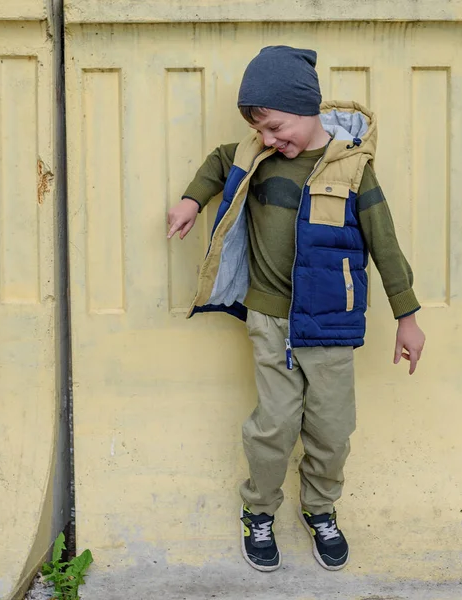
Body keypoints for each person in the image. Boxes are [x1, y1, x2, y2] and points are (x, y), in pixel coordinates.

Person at [167, 46, 426, 572]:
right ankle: (258, 512)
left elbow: (386, 243)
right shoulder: (258, 157)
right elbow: (221, 161)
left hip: (331, 323)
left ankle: (320, 509)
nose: (268, 139)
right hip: (270, 318)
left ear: (308, 109)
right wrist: (193, 199)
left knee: (331, 429)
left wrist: (408, 316)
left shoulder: (354, 168)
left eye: (276, 127)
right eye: (260, 131)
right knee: (274, 426)